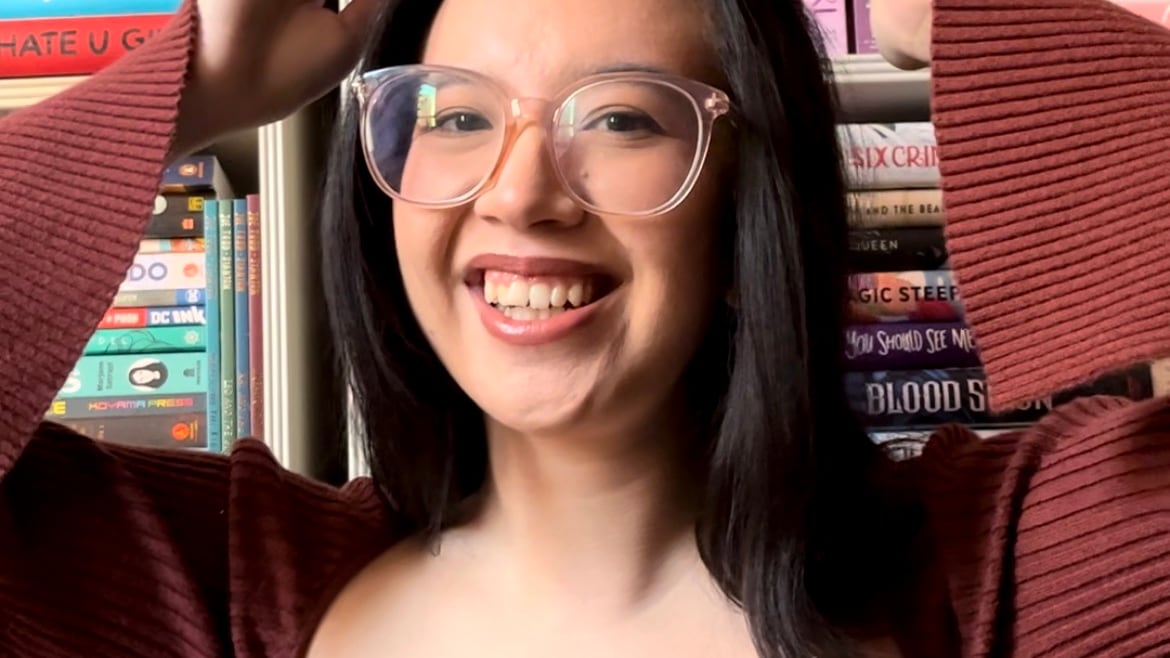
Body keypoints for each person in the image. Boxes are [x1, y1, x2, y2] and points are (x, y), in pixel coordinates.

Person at [1, 0, 1168, 657]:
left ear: (749, 205)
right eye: (454, 116)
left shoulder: (1007, 571)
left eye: (618, 118)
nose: (518, 193)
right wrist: (193, 86)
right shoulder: (214, 592)